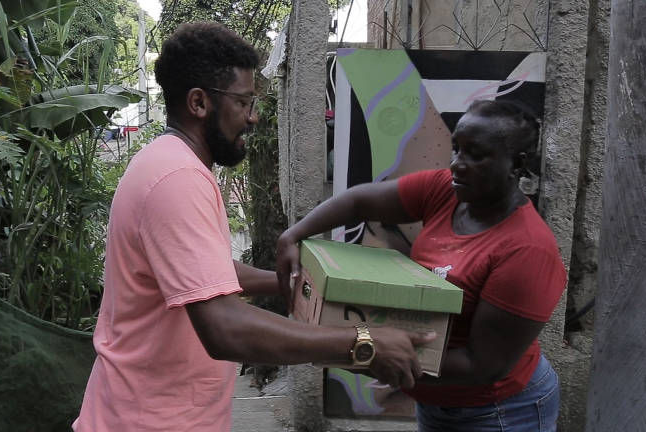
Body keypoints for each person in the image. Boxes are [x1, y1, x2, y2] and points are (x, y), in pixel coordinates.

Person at [73, 22, 435, 432]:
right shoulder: (177, 178)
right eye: (244, 102)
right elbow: (224, 328)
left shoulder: (169, 162)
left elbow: (200, 273)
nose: (253, 117)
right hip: (148, 421)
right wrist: (362, 343)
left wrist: (287, 282)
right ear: (199, 102)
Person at [277, 99, 567, 432]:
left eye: (476, 155)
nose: (457, 164)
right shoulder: (445, 192)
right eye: (457, 149)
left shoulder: (526, 250)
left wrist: (366, 353)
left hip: (499, 413)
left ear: (517, 163)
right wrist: (292, 236)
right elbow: (358, 202)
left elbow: (483, 365)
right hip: (436, 402)